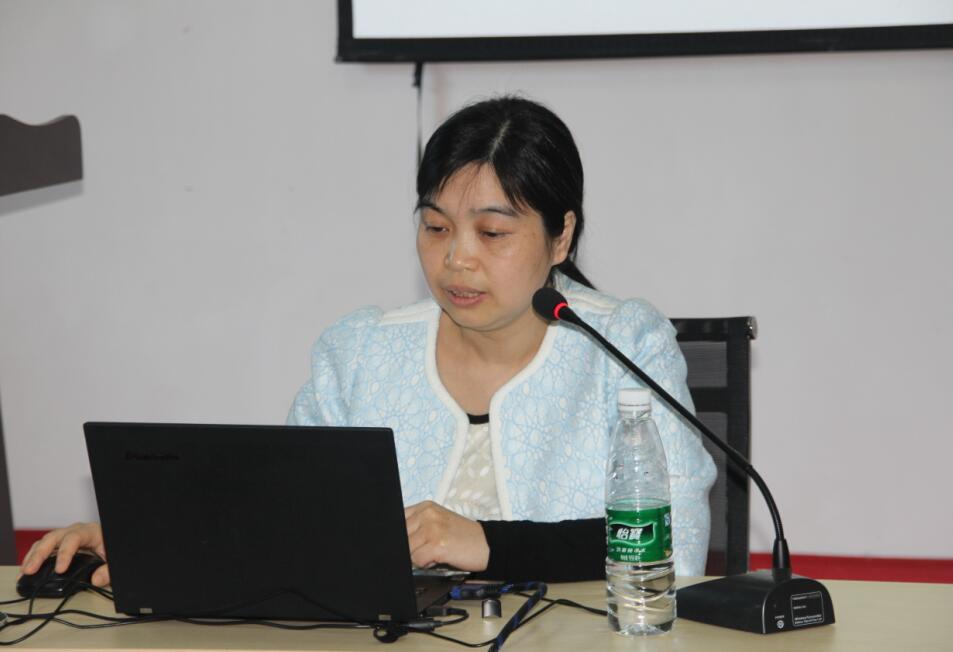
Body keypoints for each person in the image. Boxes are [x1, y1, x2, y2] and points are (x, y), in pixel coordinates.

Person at [20, 96, 716, 589]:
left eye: (492, 233)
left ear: (561, 235)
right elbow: (282, 519)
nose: (456, 259)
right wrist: (142, 538)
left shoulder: (624, 345)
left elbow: (677, 545)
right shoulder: (360, 353)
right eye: (435, 228)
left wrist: (486, 543)